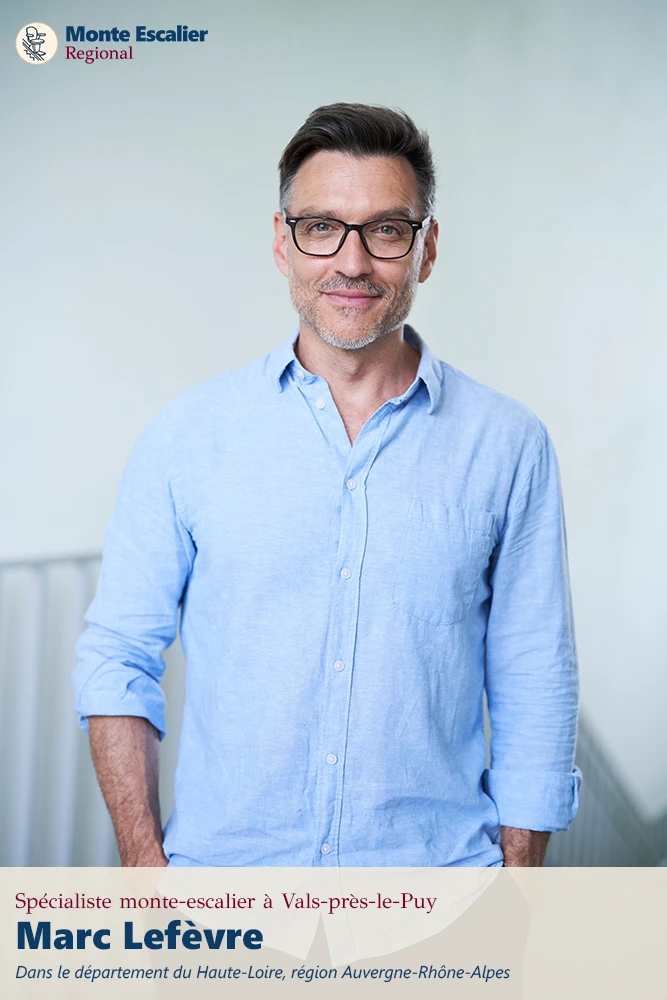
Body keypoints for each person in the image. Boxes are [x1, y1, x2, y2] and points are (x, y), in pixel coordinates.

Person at [74, 103, 581, 869]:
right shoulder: (188, 435)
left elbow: (534, 674)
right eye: (321, 227)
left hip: (435, 905)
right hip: (225, 906)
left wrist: (518, 889)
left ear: (426, 248)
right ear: (283, 243)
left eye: (385, 229)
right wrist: (146, 868)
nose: (351, 262)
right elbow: (116, 656)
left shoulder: (508, 446)